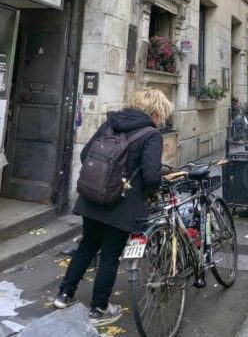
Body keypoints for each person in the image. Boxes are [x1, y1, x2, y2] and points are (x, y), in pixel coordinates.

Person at [53, 88, 171, 327]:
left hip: (93, 198)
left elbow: (87, 154)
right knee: (110, 256)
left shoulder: (111, 124)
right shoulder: (151, 134)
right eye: (162, 114)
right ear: (156, 112)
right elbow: (150, 176)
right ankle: (99, 309)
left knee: (87, 245)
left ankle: (64, 294)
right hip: (122, 204)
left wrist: (102, 180)